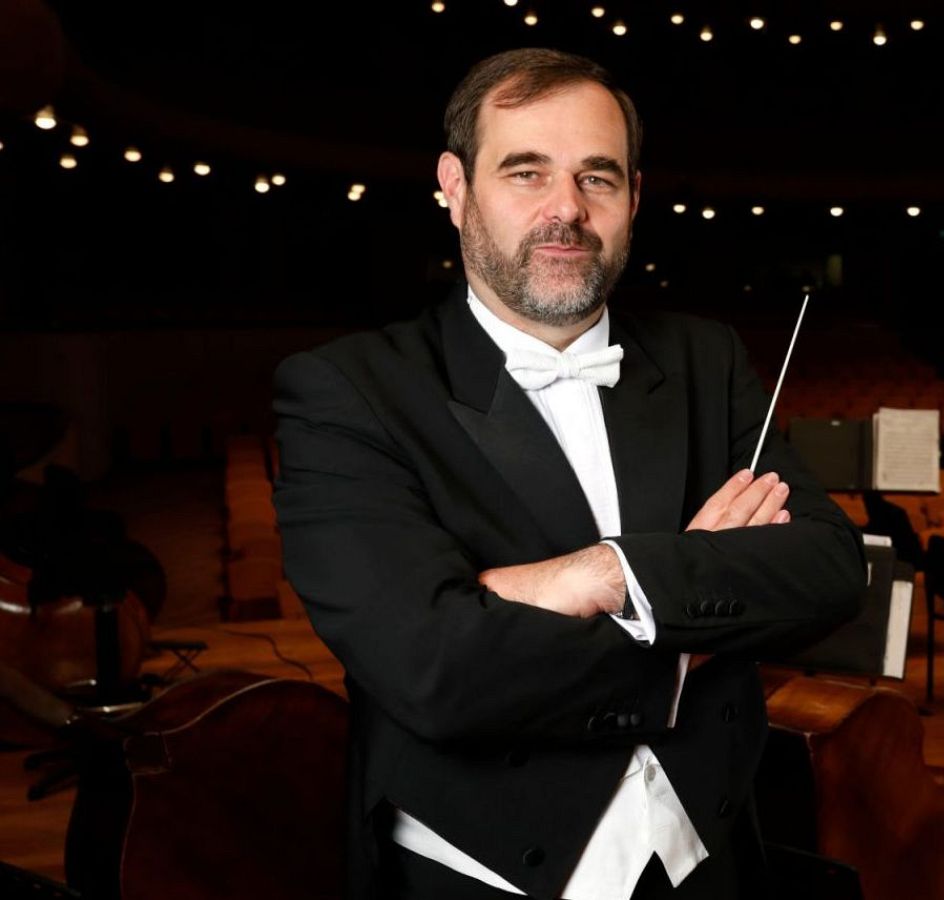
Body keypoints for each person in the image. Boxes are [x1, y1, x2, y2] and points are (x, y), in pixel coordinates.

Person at [272, 47, 865, 900]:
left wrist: (603, 576)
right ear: (453, 184)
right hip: (478, 870)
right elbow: (433, 667)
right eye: (525, 172)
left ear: (634, 197)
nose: (567, 210)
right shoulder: (347, 389)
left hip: (710, 847)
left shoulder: (705, 357)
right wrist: (687, 606)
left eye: (598, 177)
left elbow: (828, 569)